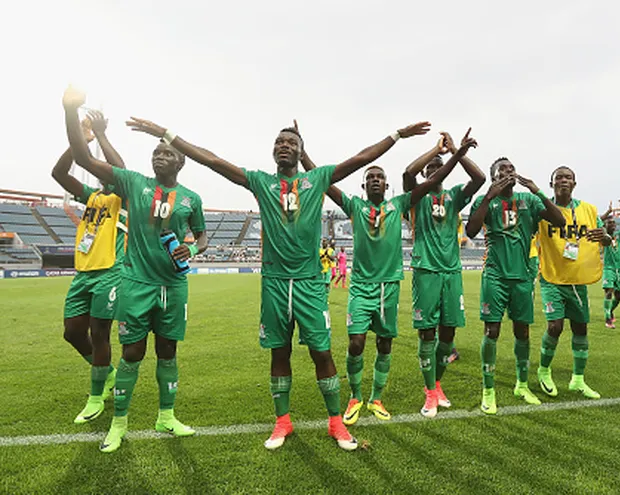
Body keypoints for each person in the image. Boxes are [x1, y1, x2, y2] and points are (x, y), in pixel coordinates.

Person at [125, 113, 431, 451]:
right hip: (274, 283)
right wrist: (167, 134)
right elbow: (212, 160)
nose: (284, 146)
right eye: (279, 142)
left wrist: (396, 135)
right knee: (279, 352)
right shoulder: (260, 182)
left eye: (291, 142)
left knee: (322, 353)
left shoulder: (317, 179)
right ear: (273, 151)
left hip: (309, 284)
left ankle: (336, 423)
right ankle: (282, 421)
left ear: (301, 151)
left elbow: (361, 158)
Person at [62, 88, 209, 453]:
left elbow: (203, 236)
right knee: (131, 354)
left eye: (168, 153)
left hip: (173, 286)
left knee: (168, 351)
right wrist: (72, 113)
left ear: (181, 162)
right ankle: (119, 424)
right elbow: (82, 156)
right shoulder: (134, 184)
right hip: (136, 284)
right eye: (156, 152)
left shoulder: (192, 199)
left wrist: (192, 248)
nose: (160, 156)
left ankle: (166, 416)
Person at [317, 130, 477, 425]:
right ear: (363, 185)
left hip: (390, 286)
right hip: (363, 286)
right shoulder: (355, 206)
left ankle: (378, 398)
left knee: (386, 344)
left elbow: (435, 180)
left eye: (380, 177)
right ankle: (355, 396)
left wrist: (455, 153)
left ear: (387, 185)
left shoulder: (400, 204)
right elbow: (324, 182)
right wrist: (304, 157)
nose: (376, 180)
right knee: (356, 343)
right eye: (370, 177)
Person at [465, 158, 566, 414]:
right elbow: (471, 231)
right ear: (494, 178)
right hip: (495, 275)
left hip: (522, 277)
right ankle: (488, 390)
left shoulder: (528, 200)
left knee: (522, 332)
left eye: (511, 169)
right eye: (502, 171)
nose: (509, 172)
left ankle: (522, 385)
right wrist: (489, 196)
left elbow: (560, 221)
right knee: (492, 331)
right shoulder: (485, 200)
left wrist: (537, 190)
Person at [401, 131, 485, 417]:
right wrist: (438, 150)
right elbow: (408, 172)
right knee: (427, 333)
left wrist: (458, 152)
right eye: (431, 167)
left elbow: (479, 179)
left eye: (439, 166)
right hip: (426, 269)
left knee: (448, 335)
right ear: (425, 173)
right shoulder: (416, 197)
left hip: (451, 271)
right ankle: (429, 392)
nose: (435, 170)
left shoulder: (454, 196)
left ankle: (437, 385)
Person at [52, 111, 126, 424]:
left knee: (99, 333)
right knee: (72, 332)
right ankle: (107, 373)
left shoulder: (124, 198)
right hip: (83, 273)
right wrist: (80, 141)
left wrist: (102, 135)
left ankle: (96, 397)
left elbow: (121, 170)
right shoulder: (92, 197)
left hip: (110, 271)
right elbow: (58, 173)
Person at [534, 165, 610, 399]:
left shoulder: (588, 210)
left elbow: (605, 238)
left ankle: (578, 379)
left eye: (568, 177)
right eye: (559, 177)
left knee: (580, 327)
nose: (564, 180)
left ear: (574, 184)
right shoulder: (541, 209)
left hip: (577, 279)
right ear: (551, 184)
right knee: (555, 326)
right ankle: (543, 370)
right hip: (551, 276)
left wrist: (606, 236)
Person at [601, 204, 620, 329]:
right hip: (609, 268)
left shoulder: (619, 236)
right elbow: (598, 221)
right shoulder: (603, 237)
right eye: (609, 223)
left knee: (619, 295)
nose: (612, 224)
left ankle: (610, 311)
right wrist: (608, 211)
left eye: (613, 222)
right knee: (609, 292)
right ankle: (608, 319)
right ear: (605, 225)